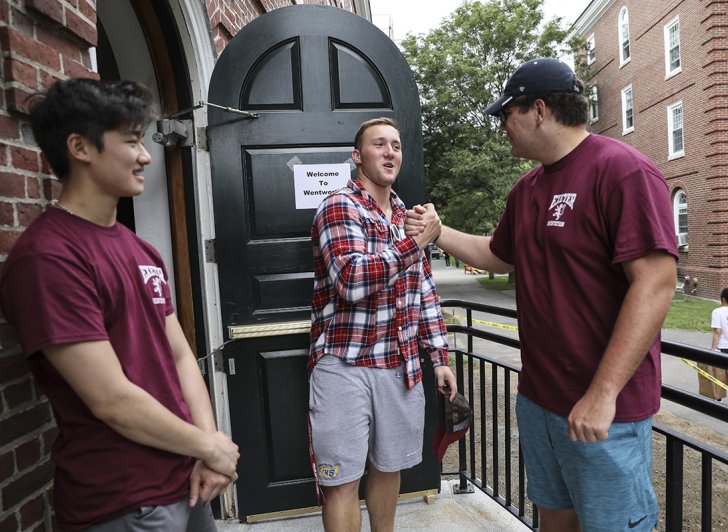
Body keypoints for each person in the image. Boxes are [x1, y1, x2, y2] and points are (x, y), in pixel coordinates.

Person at [407, 58, 678, 532]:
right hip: (539, 400)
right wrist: (438, 231)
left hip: (603, 411)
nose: (501, 127)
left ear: (538, 110)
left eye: (504, 115)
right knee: (554, 517)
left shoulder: (622, 171)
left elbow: (655, 284)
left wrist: (603, 393)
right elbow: (498, 253)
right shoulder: (527, 189)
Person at [0, 79, 239, 531]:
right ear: (80, 147)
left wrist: (208, 445)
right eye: (131, 141)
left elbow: (180, 356)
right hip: (124, 501)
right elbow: (110, 399)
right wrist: (209, 448)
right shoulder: (48, 257)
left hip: (187, 480)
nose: (146, 156)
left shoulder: (139, 249)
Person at [308, 117, 457, 532]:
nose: (390, 152)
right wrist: (416, 243)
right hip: (344, 366)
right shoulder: (339, 205)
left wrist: (439, 356)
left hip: (400, 365)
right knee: (342, 481)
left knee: (390, 469)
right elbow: (352, 280)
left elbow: (423, 290)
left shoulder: (406, 217)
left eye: (395, 144)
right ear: (358, 157)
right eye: (379, 145)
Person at [706, 288, 728, 401]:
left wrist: (713, 349)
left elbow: (717, 332)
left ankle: (718, 398)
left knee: (720, 376)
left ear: (723, 299)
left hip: (723, 347)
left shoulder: (717, 312)